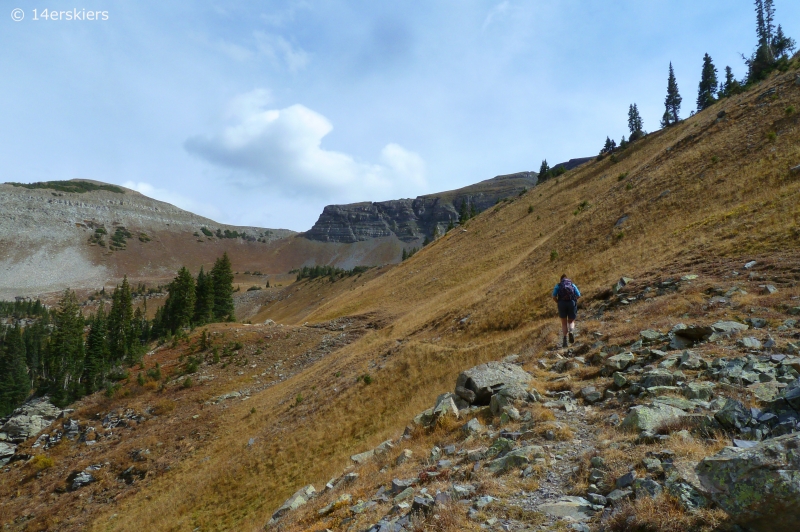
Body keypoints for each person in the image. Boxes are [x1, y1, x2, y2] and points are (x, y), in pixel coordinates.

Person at [552, 274, 581, 348]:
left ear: (561, 279)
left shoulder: (558, 285)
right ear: (567, 279)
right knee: (571, 321)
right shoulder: (572, 284)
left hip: (561, 303)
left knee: (564, 323)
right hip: (571, 303)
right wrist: (573, 300)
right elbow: (578, 295)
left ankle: (565, 340)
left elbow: (553, 296)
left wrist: (558, 301)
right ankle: (571, 331)